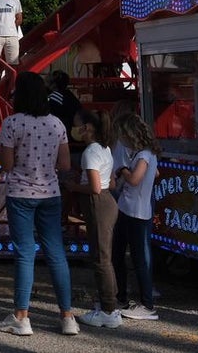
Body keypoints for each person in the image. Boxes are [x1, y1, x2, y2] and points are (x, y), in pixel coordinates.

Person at [0, 71, 79, 336]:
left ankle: (21, 316)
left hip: (21, 193)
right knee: (56, 252)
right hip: (50, 193)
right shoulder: (56, 123)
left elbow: (6, 164)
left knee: (24, 253)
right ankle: (67, 315)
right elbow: (65, 164)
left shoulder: (12, 123)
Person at [63, 108, 122, 328]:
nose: (75, 129)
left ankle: (108, 309)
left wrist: (73, 186)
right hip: (107, 202)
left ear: (87, 128)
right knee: (104, 256)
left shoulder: (90, 152)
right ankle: (109, 305)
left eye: (77, 125)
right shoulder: (105, 149)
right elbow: (111, 183)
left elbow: (95, 187)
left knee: (101, 259)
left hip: (98, 204)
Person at [111, 113, 160, 321]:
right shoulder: (146, 154)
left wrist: (122, 169)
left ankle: (147, 304)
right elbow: (155, 174)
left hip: (136, 212)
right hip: (128, 208)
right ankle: (120, 296)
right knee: (119, 253)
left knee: (139, 258)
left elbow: (134, 179)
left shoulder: (144, 155)